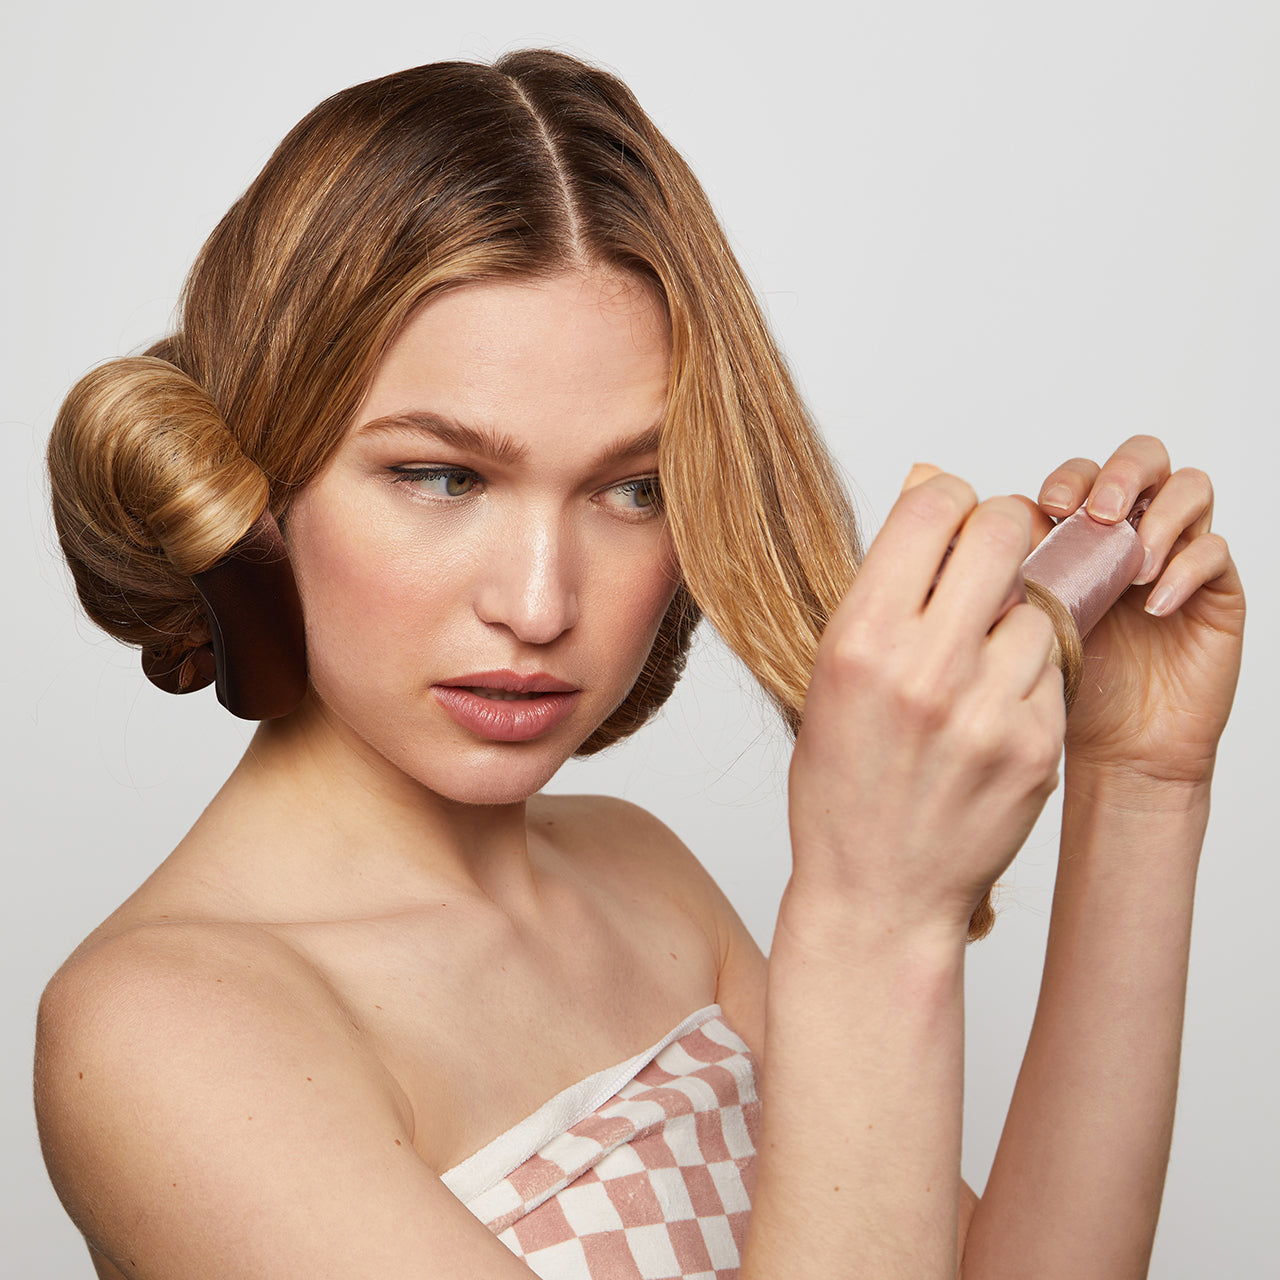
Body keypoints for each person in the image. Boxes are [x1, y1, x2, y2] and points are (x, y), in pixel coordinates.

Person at [34, 49, 1243, 1280]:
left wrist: (1139, 785)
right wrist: (870, 920)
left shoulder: (640, 876)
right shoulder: (161, 1032)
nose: (539, 603)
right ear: (260, 485)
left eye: (633, 489)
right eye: (442, 476)